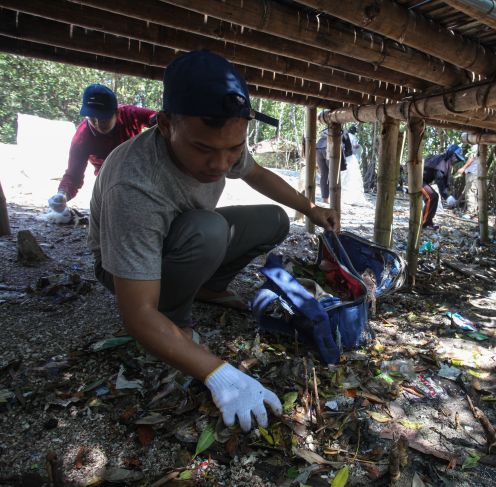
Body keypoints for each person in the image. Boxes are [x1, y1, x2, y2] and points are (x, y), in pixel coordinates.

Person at [88, 50, 339, 432]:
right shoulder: (134, 185)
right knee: (208, 230)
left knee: (273, 220)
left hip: (185, 238)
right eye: (203, 149)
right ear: (166, 123)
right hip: (124, 268)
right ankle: (171, 318)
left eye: (233, 149)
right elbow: (135, 314)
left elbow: (255, 173)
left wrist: (310, 208)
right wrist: (218, 373)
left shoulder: (220, 140)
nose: (221, 165)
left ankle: (206, 287)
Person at [47, 84, 157, 215]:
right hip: (109, 181)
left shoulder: (130, 114)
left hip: (139, 170)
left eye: (104, 119)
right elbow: (74, 175)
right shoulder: (83, 137)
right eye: (92, 119)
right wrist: (62, 195)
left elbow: (157, 118)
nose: (98, 124)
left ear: (117, 113)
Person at [421, 143, 465, 228]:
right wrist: (447, 197)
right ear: (450, 154)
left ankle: (428, 222)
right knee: (431, 197)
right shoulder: (441, 162)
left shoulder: (445, 162)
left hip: (423, 181)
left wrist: (448, 195)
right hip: (416, 180)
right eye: (455, 157)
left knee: (435, 197)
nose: (455, 160)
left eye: (457, 159)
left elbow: (444, 182)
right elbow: (440, 181)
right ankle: (423, 223)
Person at [314, 127, 351, 204]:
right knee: (334, 175)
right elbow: (348, 147)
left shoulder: (326, 129)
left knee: (324, 175)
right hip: (329, 148)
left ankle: (325, 199)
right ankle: (334, 200)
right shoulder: (342, 130)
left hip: (318, 148)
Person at [457, 144, 479, 215]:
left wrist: (463, 168)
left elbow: (471, 158)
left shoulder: (476, 146)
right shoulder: (479, 146)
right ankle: (473, 212)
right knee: (472, 192)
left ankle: (470, 212)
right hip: (474, 172)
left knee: (470, 192)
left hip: (472, 172)